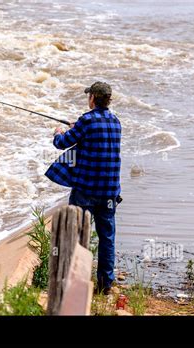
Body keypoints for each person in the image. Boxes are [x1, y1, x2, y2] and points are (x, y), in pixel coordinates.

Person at [45, 81, 122, 294]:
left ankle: (77, 282)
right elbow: (97, 140)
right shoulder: (116, 122)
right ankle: (106, 285)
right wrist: (76, 127)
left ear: (93, 98)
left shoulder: (86, 121)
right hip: (109, 192)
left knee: (77, 234)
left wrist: (58, 132)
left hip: (86, 191)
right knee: (107, 237)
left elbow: (62, 143)